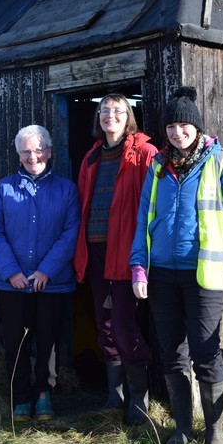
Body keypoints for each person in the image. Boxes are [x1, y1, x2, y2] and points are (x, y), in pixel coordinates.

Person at [129, 87, 223, 444]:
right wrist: (138, 266)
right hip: (161, 274)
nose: (178, 132)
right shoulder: (158, 167)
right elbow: (143, 218)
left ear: (196, 128)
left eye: (184, 125)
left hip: (203, 276)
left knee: (206, 352)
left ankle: (215, 433)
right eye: (172, 126)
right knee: (172, 354)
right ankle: (182, 428)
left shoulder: (220, 163)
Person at [0, 125, 79, 423]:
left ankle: (43, 394)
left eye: (38, 150)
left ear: (49, 152)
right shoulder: (4, 188)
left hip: (52, 283)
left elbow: (70, 232)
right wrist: (11, 271)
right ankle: (20, 396)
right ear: (18, 154)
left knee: (49, 339)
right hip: (11, 283)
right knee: (16, 341)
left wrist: (46, 271)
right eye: (25, 151)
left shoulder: (66, 189)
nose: (32, 156)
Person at [74, 94, 157, 425]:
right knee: (104, 323)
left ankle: (139, 397)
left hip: (127, 252)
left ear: (129, 117)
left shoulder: (145, 153)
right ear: (98, 118)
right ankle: (115, 394)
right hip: (95, 251)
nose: (111, 116)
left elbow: (154, 205)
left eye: (118, 111)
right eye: (105, 111)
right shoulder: (91, 156)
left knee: (124, 324)